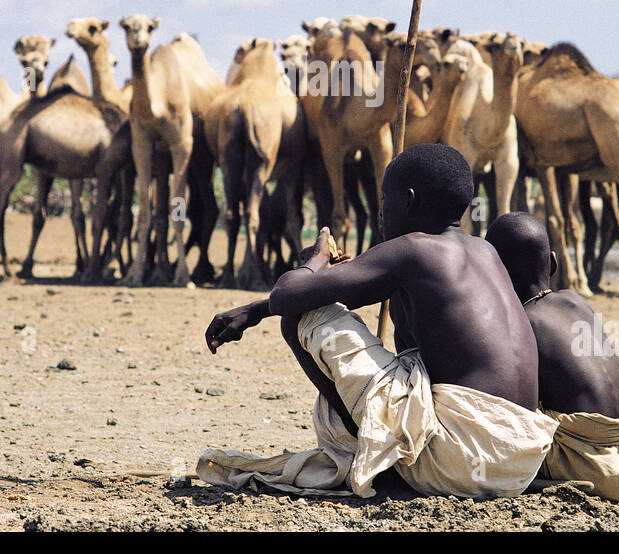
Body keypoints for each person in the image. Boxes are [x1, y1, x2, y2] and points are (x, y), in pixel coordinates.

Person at [199, 143, 558, 498]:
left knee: (301, 318)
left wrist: (316, 259)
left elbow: (289, 297)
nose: (381, 212)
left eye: (385, 200)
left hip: (460, 461)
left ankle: (371, 452)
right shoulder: (484, 250)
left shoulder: (414, 249)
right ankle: (395, 453)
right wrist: (254, 311)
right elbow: (343, 292)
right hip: (519, 460)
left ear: (410, 200)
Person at [485, 211, 619, 502]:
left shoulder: (521, 323)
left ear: (493, 274)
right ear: (554, 263)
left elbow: (519, 408)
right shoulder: (575, 300)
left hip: (590, 465)